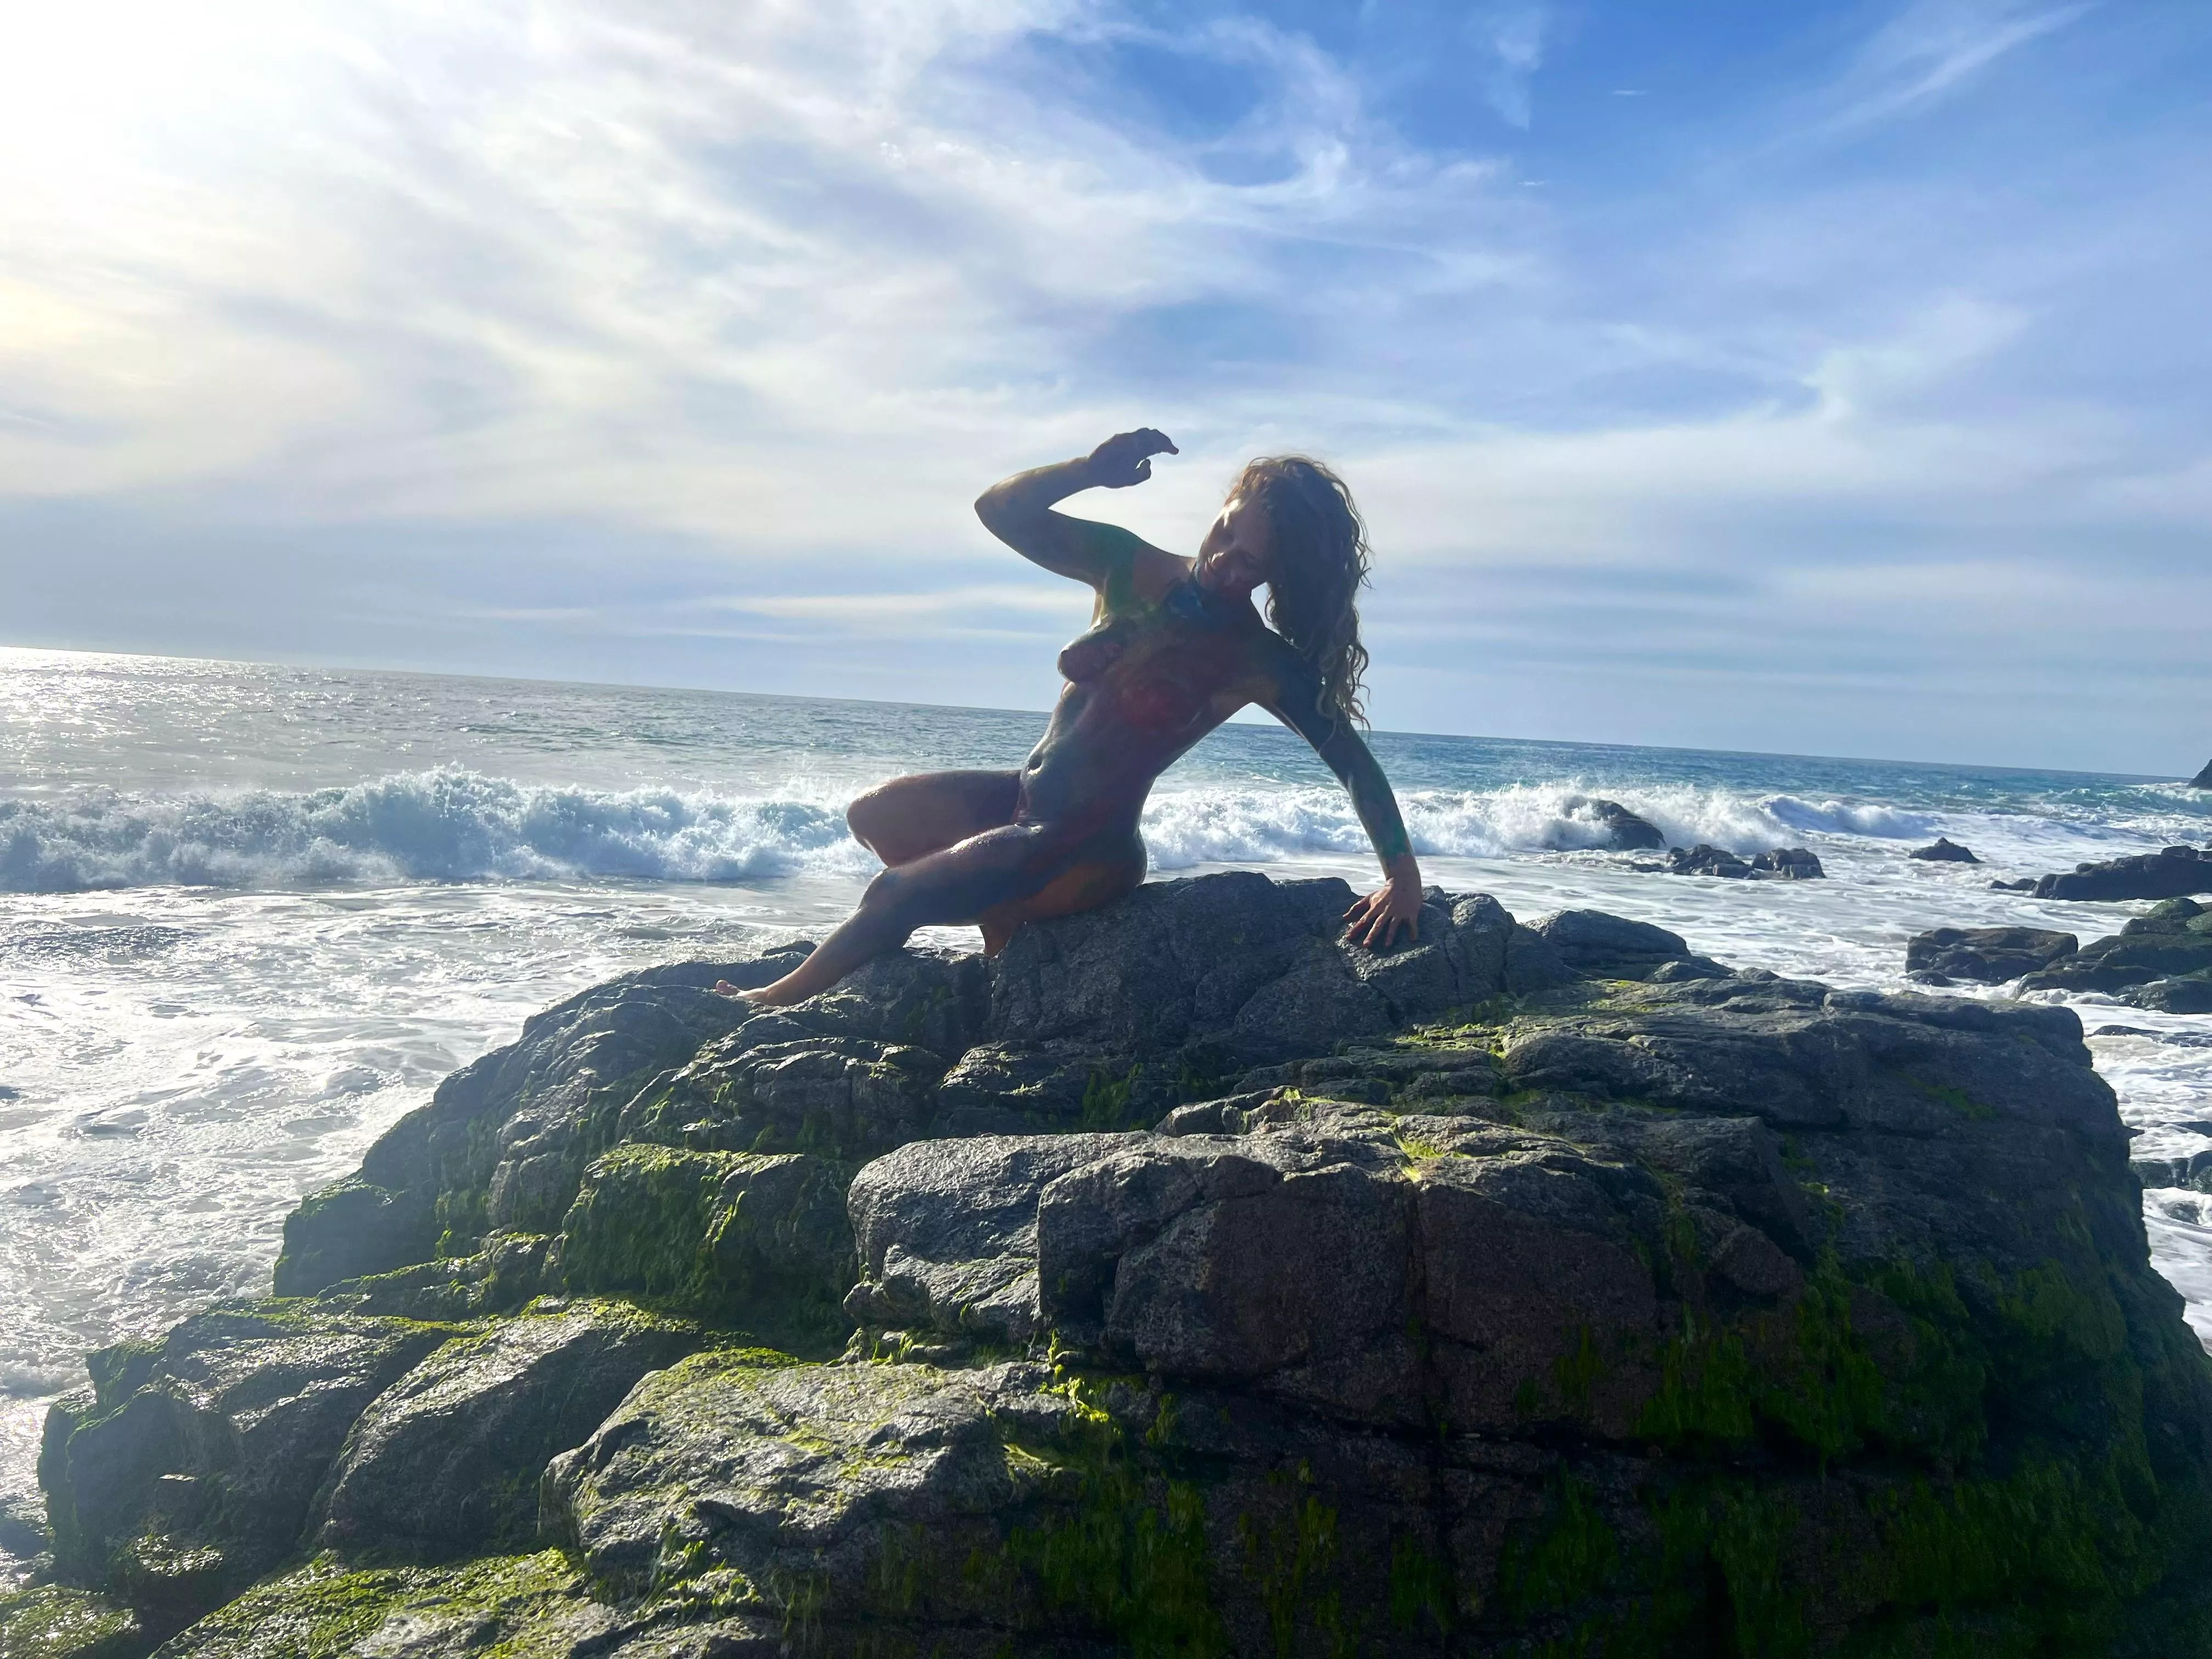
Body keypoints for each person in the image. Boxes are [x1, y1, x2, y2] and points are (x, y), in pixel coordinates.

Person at [734, 428, 1425, 1007]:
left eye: (1252, 566)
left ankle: (773, 1002)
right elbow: (998, 509)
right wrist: (1088, 472)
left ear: (1278, 575)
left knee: (895, 895)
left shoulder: (1256, 658)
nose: (1225, 565)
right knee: (875, 816)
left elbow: (1350, 760)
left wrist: (1402, 875)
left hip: (1087, 843)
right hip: (1024, 799)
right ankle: (1002, 920)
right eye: (1227, 534)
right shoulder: (1127, 565)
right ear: (1226, 503)